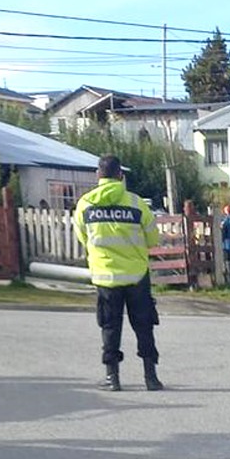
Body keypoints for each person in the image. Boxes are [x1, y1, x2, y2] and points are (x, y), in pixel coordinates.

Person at [74, 156, 163, 392]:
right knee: (143, 326)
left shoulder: (85, 205)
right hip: (136, 276)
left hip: (105, 277)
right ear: (120, 175)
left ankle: (112, 378)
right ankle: (150, 377)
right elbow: (153, 239)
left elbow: (83, 238)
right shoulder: (136, 204)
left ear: (98, 175)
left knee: (110, 327)